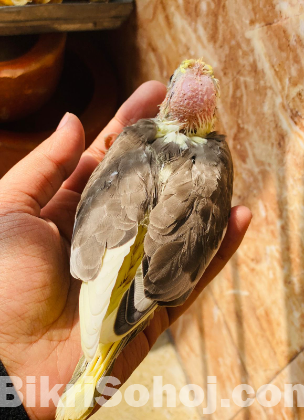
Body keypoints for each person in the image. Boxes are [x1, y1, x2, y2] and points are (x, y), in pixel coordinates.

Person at [0, 81, 252, 419]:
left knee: (103, 342)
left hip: (131, 274)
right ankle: (91, 371)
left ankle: (90, 372)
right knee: (105, 338)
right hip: (133, 276)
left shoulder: (149, 143)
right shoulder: (207, 162)